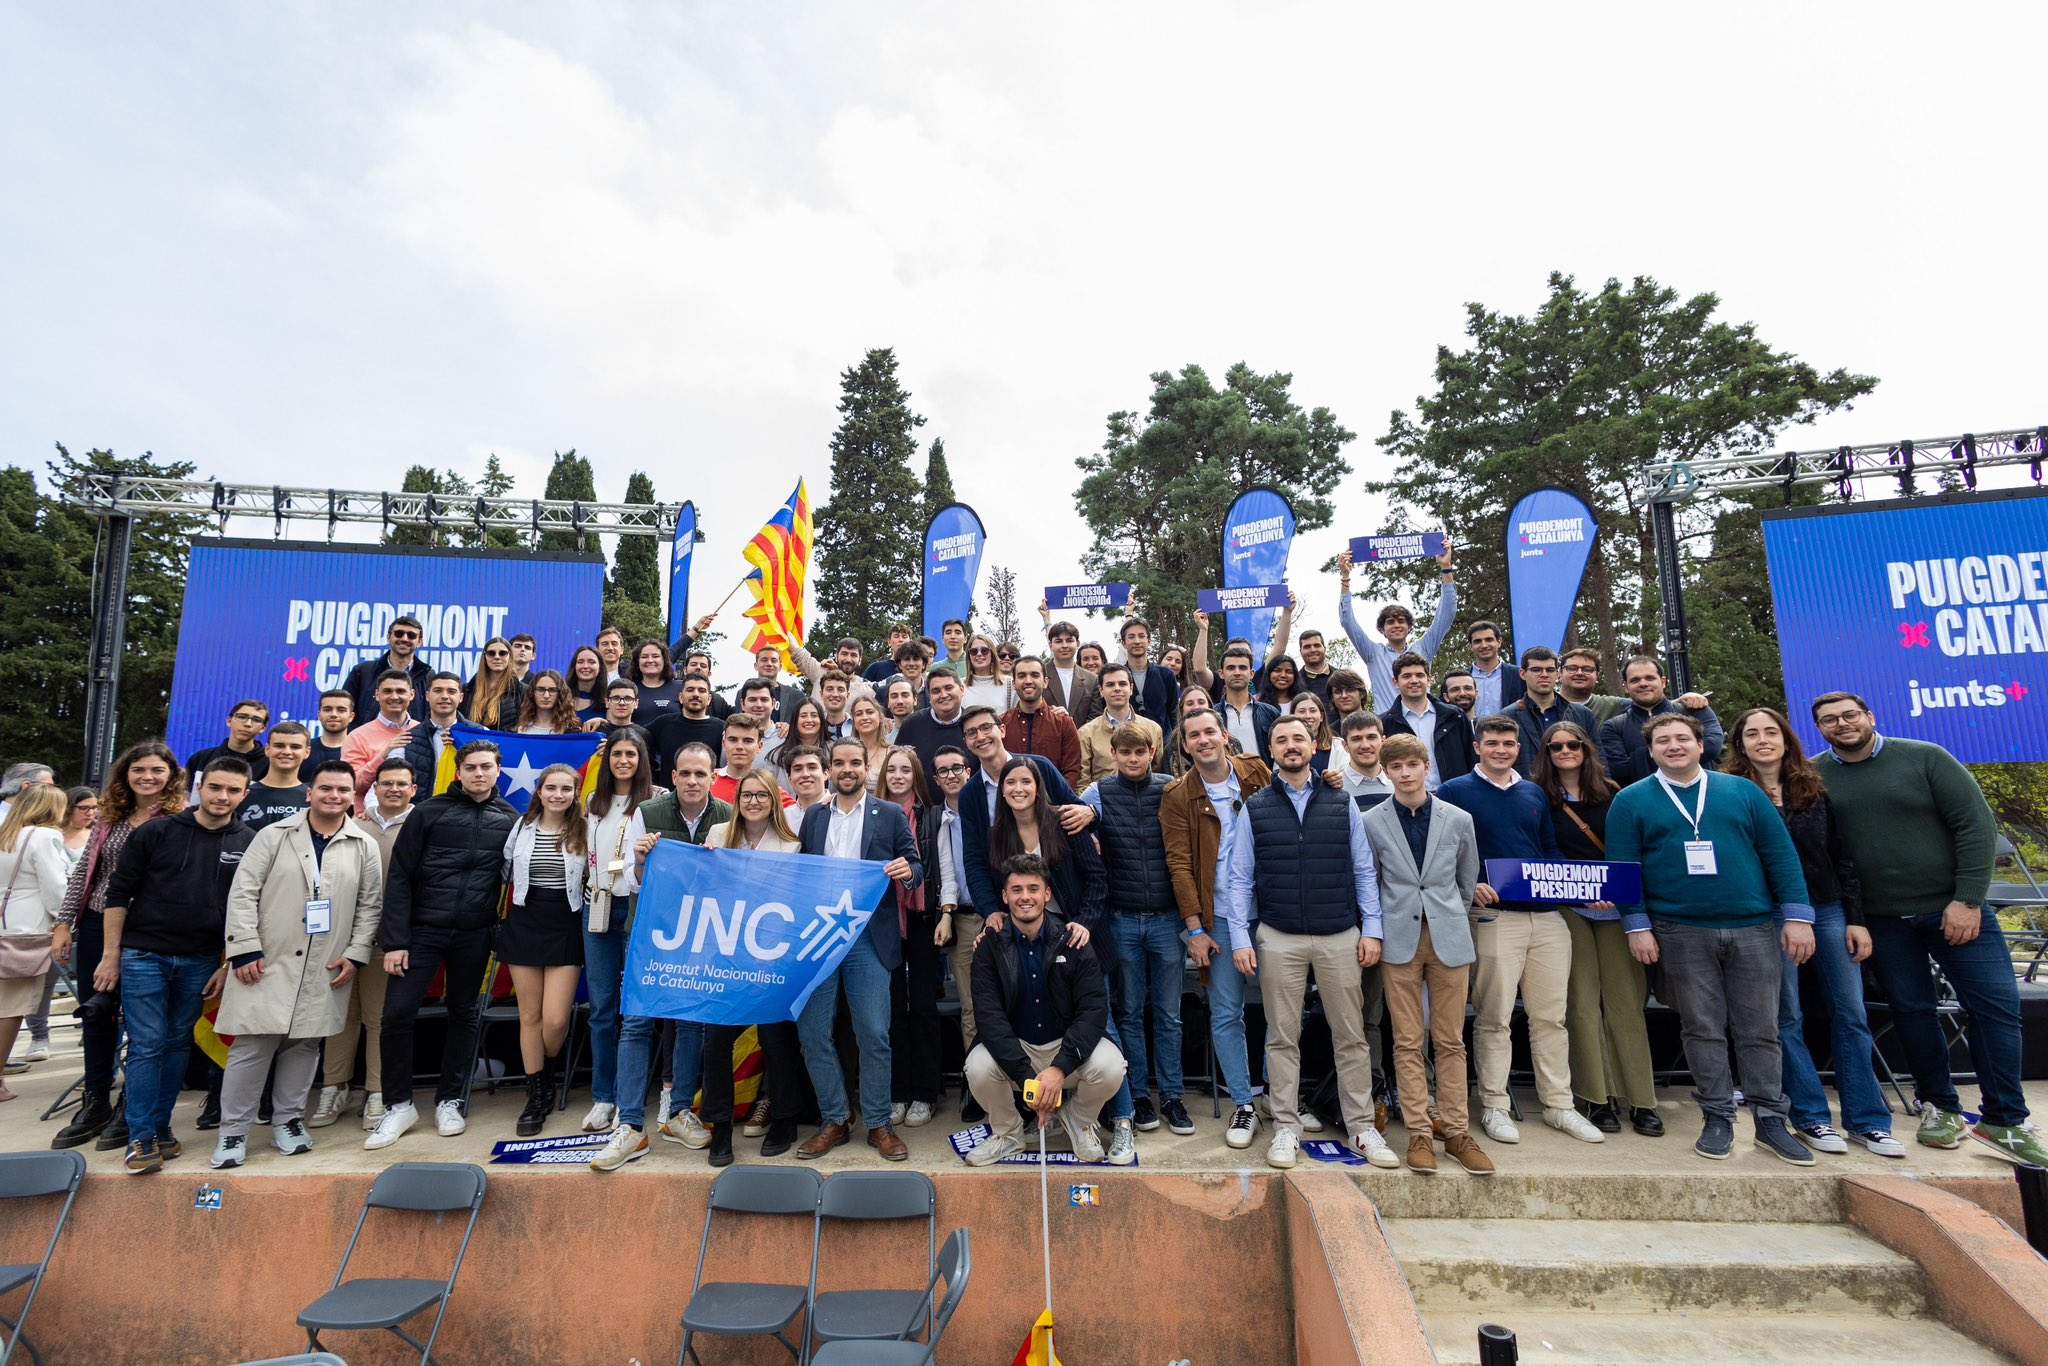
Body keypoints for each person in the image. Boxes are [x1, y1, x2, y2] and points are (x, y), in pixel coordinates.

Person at [1813, 692, 2042, 1165]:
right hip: (1881, 920)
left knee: (1996, 1010)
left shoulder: (1926, 758)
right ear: (1820, 728)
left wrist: (1968, 899)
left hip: (1954, 910)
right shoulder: (1815, 776)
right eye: (1830, 720)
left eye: (1850, 715)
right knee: (1913, 1011)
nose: (1842, 724)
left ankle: (2006, 1119)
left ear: (1870, 716)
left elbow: (1975, 827)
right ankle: (1939, 1106)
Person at [1606, 713, 1816, 1164]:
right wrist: (1637, 926)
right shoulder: (1631, 800)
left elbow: (1780, 856)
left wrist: (1798, 917)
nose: (1674, 746)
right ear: (1651, 750)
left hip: (1753, 926)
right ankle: (1718, 1117)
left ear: (1701, 745)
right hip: (1680, 930)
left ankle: (1770, 1120)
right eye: (1663, 740)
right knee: (1701, 1027)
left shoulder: (1742, 792)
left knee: (1760, 1028)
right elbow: (1624, 870)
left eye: (1683, 738)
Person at [1724, 707, 1898, 1158]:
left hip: (1827, 908)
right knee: (1786, 1017)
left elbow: (1842, 856)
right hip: (1769, 914)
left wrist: (1855, 916)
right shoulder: (1729, 793)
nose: (1763, 740)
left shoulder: (1816, 788)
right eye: (1752, 733)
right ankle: (1811, 1117)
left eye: (1770, 731)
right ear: (1740, 744)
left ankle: (1867, 1120)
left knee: (1851, 1013)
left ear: (1786, 739)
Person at [1226, 715, 1397, 1170]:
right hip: (1278, 937)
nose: (1290, 746)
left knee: (1352, 1036)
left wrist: (1373, 929)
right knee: (1283, 1038)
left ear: (1314, 744)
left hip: (1339, 935)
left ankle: (1362, 1127)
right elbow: (1240, 878)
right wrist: (1241, 937)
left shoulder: (1342, 804)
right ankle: (1286, 1127)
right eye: (1281, 740)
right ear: (1272, 750)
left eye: (1298, 738)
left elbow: (1364, 870)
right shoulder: (1255, 807)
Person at [1438, 717, 1605, 1146]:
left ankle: (1558, 1105)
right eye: (1492, 743)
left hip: (1548, 919)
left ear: (1518, 748)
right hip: (1494, 919)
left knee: (1551, 1017)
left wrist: (1579, 888)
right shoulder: (1456, 791)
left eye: (1508, 743)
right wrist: (1469, 881)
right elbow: (1442, 849)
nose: (1500, 749)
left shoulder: (1533, 792)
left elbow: (1548, 849)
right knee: (1493, 1018)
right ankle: (1494, 1104)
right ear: (1477, 747)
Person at [210, 761, 380, 1169]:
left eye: (342, 790)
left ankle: (288, 1121)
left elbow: (370, 906)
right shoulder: (273, 835)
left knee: (304, 1046)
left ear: (351, 796)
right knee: (253, 1045)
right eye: (326, 789)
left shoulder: (363, 844)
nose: (333, 796)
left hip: (325, 963)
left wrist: (356, 953)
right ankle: (233, 1131)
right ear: (310, 792)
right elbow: (243, 892)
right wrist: (245, 948)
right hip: (267, 959)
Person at [95, 757, 254, 1173]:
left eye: (232, 791)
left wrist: (225, 962)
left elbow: (247, 909)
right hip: (143, 955)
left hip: (202, 960)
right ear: (200, 787)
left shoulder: (251, 841)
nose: (222, 797)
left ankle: (161, 1128)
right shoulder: (156, 832)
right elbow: (118, 895)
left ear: (245, 795)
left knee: (178, 1043)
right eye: (216, 788)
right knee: (148, 1044)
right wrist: (111, 956)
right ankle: (141, 1137)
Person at [366, 741, 518, 1151]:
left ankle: (451, 1099)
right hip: (421, 934)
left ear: (498, 771)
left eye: (487, 767)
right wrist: (396, 941)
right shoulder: (428, 813)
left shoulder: (509, 819)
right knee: (397, 1015)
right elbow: (399, 877)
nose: (479, 774)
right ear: (459, 772)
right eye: (471, 767)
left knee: (464, 1014)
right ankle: (398, 1105)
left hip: (474, 934)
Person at [1361, 734, 1492, 1174]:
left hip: (1449, 936)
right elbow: (1372, 882)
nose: (1404, 773)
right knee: (1407, 1040)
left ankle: (1456, 1131)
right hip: (1399, 939)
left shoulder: (1458, 819)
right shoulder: (1371, 821)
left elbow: (1465, 878)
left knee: (1451, 1038)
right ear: (1386, 771)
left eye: (1411, 765)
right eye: (1395, 767)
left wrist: (1446, 915)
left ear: (1425, 766)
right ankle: (1418, 1131)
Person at [50, 740, 186, 1152]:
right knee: (97, 1013)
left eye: (156, 771)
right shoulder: (110, 817)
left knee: (144, 1023)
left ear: (170, 776)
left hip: (149, 928)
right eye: (138, 770)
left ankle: (133, 1104)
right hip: (96, 922)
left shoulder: (181, 819)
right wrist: (64, 922)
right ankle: (95, 1102)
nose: (147, 777)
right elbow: (84, 874)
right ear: (125, 774)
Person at [589, 741, 719, 1170]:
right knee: (638, 1023)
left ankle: (679, 1112)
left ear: (713, 777)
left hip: (699, 936)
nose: (694, 781)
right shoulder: (649, 812)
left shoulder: (727, 817)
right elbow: (632, 878)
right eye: (686, 773)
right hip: (650, 933)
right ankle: (629, 1125)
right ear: (674, 776)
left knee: (690, 1023)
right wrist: (642, 859)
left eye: (702, 773)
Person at [791, 739, 921, 1162]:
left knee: (874, 1033)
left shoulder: (890, 815)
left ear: (867, 767)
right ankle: (835, 1119)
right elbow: (800, 870)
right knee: (812, 1032)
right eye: (840, 763)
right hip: (820, 937)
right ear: (830, 769)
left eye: (855, 763)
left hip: (868, 937)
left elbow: (917, 867)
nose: (847, 769)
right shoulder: (813, 817)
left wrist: (908, 872)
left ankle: (879, 1123)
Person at [1532, 721, 1660, 1138]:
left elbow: (1630, 851)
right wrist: (1580, 888)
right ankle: (1595, 1096)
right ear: (1546, 753)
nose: (1565, 751)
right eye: (1556, 747)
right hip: (1569, 906)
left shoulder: (1615, 795)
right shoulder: (1540, 798)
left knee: (1625, 1002)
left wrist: (1609, 890)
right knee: (1581, 1004)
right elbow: (1542, 852)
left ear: (1586, 749)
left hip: (1616, 907)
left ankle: (1640, 1099)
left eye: (1573, 745)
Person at [963, 855, 1128, 1165]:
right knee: (977, 1067)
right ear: (1005, 896)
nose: (1025, 897)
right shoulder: (989, 945)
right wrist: (1030, 1081)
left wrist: (1059, 1069)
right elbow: (989, 1018)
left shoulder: (1073, 939)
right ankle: (1009, 1135)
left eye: (1033, 889)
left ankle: (1078, 1122)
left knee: (1111, 1065)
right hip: (1018, 1046)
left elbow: (1093, 1010)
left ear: (1047, 894)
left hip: (1063, 1046)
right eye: (1017, 889)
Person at [1160, 708, 1271, 1149]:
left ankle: (1280, 1098)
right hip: (1219, 916)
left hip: (1272, 910)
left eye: (1210, 731)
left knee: (1283, 1012)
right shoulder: (1177, 795)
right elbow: (1180, 865)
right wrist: (1195, 929)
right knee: (1227, 1013)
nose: (1204, 740)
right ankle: (1244, 1103)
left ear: (1225, 735)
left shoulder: (1256, 772)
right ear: (1185, 746)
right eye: (1194, 735)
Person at [1082, 724, 1191, 1138]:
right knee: (1128, 1012)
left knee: (1169, 1014)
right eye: (1124, 752)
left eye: (1139, 752)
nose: (1132, 759)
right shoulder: (1098, 794)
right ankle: (1139, 1095)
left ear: (1152, 751)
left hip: (1166, 918)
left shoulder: (1170, 789)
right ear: (1113, 753)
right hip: (1122, 918)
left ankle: (1174, 1096)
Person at [696, 771, 806, 1165]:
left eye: (763, 795)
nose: (754, 801)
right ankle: (720, 1128)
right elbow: (702, 889)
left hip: (771, 959)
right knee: (716, 1044)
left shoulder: (792, 845)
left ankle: (784, 1118)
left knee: (777, 1041)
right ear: (737, 797)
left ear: (774, 801)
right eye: (748, 794)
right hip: (725, 957)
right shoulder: (716, 835)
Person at [312, 756, 411, 1131]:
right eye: (386, 783)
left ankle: (376, 1092)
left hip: (388, 939)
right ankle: (334, 1087)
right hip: (341, 937)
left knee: (377, 1018)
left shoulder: (420, 823)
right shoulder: (354, 824)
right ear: (375, 787)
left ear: (412, 789)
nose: (394, 789)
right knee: (340, 1015)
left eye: (401, 784)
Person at [499, 764, 589, 1137]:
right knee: (529, 1016)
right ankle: (536, 1092)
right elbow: (506, 870)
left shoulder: (585, 829)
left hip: (565, 924)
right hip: (524, 922)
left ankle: (548, 1067)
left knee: (555, 1020)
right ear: (539, 791)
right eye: (550, 787)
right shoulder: (521, 827)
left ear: (575, 793)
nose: (557, 794)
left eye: (565, 789)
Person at [577, 725, 655, 1138]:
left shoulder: (655, 800)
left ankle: (631, 1100)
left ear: (642, 759)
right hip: (598, 903)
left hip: (638, 907)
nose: (623, 761)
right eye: (617, 755)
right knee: (602, 1007)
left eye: (631, 754)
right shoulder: (594, 802)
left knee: (636, 1011)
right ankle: (603, 1096)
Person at [878, 748, 945, 1132]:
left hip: (922, 917)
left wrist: (946, 912)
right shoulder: (872, 815)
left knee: (922, 1005)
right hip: (884, 919)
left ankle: (926, 1092)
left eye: (906, 769)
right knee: (889, 1009)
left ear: (916, 775)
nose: (899, 775)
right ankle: (897, 1091)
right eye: (893, 769)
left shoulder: (932, 817)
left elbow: (944, 865)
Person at [925, 745, 984, 1119]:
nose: (951, 775)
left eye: (957, 768)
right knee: (970, 1008)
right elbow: (947, 873)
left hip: (999, 917)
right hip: (962, 917)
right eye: (943, 770)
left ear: (968, 770)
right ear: (935, 778)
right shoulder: (940, 818)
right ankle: (976, 1085)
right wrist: (946, 915)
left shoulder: (987, 809)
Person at [0, 787, 68, 1102]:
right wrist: (65, 922)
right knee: (10, 1010)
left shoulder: (6, 834)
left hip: (5, 925)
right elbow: (56, 889)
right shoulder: (44, 837)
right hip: (25, 932)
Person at [1337, 544, 1458, 704]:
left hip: (1423, 723)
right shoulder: (1373, 653)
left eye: (1401, 621)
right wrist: (1345, 577)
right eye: (1390, 622)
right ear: (1382, 629)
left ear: (1409, 628)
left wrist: (1446, 567)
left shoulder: (1423, 649)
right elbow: (1347, 621)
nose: (1396, 625)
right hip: (1389, 725)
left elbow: (1447, 614)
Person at [1599, 656, 1724, 784]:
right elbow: (1619, 771)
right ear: (1626, 686)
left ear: (1663, 682)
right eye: (1635, 680)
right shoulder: (1613, 727)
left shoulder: (1695, 710)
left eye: (1650, 678)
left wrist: (1640, 758)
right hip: (1646, 800)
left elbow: (1712, 747)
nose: (1643, 684)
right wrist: (1684, 751)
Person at [1377, 652, 1475, 789]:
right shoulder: (1385, 723)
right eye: (1406, 676)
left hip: (1454, 797)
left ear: (1429, 679)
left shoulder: (1454, 716)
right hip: (1406, 799)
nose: (1414, 680)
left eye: (1419, 675)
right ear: (1395, 682)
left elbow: (1472, 758)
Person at [1503, 648, 1597, 777]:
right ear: (1522, 674)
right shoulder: (1507, 717)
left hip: (1574, 792)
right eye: (1536, 670)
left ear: (1558, 675)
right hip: (1527, 791)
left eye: (1550, 670)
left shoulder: (1583, 715)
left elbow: (1598, 760)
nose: (1544, 674)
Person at [1076, 664, 1167, 787]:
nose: (1117, 689)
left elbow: (1158, 772)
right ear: (1101, 691)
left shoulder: (1153, 729)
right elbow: (1083, 781)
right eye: (1110, 685)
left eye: (1122, 684)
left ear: (1131, 688)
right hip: (1102, 801)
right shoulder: (1086, 733)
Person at [342, 670, 419, 809]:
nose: (394, 696)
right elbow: (351, 785)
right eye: (387, 691)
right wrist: (384, 754)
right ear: (377, 695)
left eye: (400, 691)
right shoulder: (357, 736)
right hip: (369, 821)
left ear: (412, 694)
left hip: (416, 819)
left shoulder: (422, 731)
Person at [1002, 656, 1082, 789]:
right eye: (1021, 676)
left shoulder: (1063, 723)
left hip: (1053, 803)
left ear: (1045, 682)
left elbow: (1072, 770)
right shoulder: (1002, 724)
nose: (1028, 681)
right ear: (1014, 684)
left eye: (1034, 675)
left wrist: (1057, 800)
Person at [341, 614, 431, 723]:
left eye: (411, 635)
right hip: (368, 738)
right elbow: (344, 708)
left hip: (413, 738)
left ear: (420, 642)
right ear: (388, 637)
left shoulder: (428, 675)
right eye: (399, 634)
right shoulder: (363, 671)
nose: (404, 638)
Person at [894, 668, 968, 782]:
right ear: (929, 697)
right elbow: (898, 766)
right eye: (936, 691)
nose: (943, 695)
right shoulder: (912, 724)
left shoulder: (973, 723)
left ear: (962, 689)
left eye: (948, 688)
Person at [236, 722, 312, 831]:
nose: (287, 752)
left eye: (295, 747)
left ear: (307, 752)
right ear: (267, 749)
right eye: (279, 746)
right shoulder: (243, 795)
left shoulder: (312, 799)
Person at [400, 672, 466, 793]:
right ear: (427, 696)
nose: (445, 696)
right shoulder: (407, 738)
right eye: (438, 691)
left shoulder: (480, 733)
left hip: (465, 809)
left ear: (461, 697)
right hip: (421, 809)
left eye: (451, 691)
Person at [648, 674, 727, 773]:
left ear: (709, 699)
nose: (696, 694)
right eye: (690, 690)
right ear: (680, 697)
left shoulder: (721, 728)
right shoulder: (663, 724)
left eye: (701, 691)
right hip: (668, 788)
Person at [1215, 645, 1279, 763]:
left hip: (1266, 779)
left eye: (1242, 668)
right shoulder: (1212, 715)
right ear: (1221, 673)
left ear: (1252, 674)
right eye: (1231, 668)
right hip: (1227, 780)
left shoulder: (1270, 713)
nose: (1237, 672)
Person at [711, 715, 789, 807]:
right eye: (733, 740)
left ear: (760, 746)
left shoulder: (771, 789)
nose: (739, 746)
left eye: (748, 741)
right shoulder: (707, 782)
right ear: (724, 744)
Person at [1037, 609, 1099, 722]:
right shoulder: (1038, 675)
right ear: (1051, 645)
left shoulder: (1092, 679)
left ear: (1077, 644)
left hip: (1083, 738)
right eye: (1059, 641)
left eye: (1069, 640)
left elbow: (1095, 716)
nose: (1064, 645)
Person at [186, 701, 273, 782]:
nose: (248, 724)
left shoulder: (270, 764)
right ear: (229, 721)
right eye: (242, 717)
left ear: (263, 728)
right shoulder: (201, 758)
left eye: (256, 720)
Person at [1118, 617, 1180, 724]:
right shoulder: (1117, 677)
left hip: (1162, 738)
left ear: (1149, 641)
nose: (1137, 641)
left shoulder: (1166, 675)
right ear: (1124, 643)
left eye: (1141, 636)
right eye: (1131, 637)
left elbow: (1174, 713)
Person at [1333, 712, 1394, 809]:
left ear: (1383, 741)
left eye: (1371, 737)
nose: (1365, 745)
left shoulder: (1398, 783)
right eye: (1356, 739)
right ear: (1345, 746)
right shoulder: (1334, 789)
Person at [1462, 621, 1524, 716]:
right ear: (1471, 646)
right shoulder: (1460, 678)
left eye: (1489, 640)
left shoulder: (1518, 675)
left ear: (1499, 642)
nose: (1484, 645)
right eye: (1477, 641)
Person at [463, 638, 523, 729]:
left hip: (504, 742)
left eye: (502, 653)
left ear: (509, 656)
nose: (497, 657)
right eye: (491, 653)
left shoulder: (521, 690)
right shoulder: (468, 689)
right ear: (485, 656)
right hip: (470, 742)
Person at [1559, 647, 1628, 724]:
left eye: (1587, 669)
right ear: (1560, 674)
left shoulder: (1611, 706)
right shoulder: (1546, 705)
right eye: (1572, 668)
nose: (1579, 673)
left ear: (1597, 676)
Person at [512, 670, 582, 735]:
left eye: (552, 690)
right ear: (532, 693)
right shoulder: (519, 729)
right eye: (540, 689)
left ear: (560, 694)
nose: (546, 695)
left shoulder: (572, 730)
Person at [629, 641, 682, 726]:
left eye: (655, 656)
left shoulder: (680, 688)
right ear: (637, 662)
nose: (650, 660)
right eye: (644, 656)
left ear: (664, 661)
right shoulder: (629, 689)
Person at [959, 635, 1015, 715]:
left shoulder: (1009, 684)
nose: (979, 654)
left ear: (992, 654)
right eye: (974, 651)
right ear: (969, 656)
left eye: (984, 650)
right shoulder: (959, 685)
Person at [772, 699, 831, 775]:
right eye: (803, 716)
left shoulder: (833, 750)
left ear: (821, 720)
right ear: (795, 721)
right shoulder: (777, 755)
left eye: (814, 715)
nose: (809, 720)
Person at [848, 696, 892, 784]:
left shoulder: (892, 752)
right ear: (854, 721)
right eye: (859, 714)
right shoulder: (846, 753)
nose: (864, 717)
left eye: (870, 712)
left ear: (880, 718)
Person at [307, 690, 355, 769]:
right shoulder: (304, 749)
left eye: (341, 710)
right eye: (327, 709)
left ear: (351, 716)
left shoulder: (360, 750)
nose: (334, 714)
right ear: (319, 715)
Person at [1289, 693, 1336, 773]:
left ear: (1321, 717)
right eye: (1302, 711)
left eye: (1313, 711)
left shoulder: (1337, 746)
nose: (1308, 716)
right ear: (1292, 716)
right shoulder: (1285, 746)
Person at [784, 746, 829, 815]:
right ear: (790, 779)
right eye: (798, 769)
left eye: (812, 768)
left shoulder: (843, 811)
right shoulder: (782, 819)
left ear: (825, 774)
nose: (805, 774)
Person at [567, 646, 608, 721]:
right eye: (580, 662)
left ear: (600, 667)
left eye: (591, 662)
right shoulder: (562, 697)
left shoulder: (608, 701)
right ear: (574, 666)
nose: (585, 666)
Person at [1296, 628, 1336, 702]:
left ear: (1324, 648)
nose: (1313, 650)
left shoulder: (1342, 677)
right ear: (1300, 651)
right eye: (1307, 647)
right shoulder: (1294, 683)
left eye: (1317, 645)